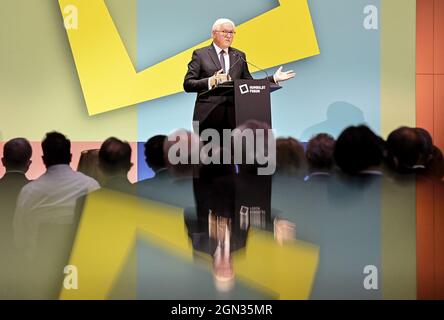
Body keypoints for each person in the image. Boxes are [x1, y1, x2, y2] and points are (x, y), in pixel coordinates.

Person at [183, 18, 295, 134]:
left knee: (233, 152)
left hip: (234, 118)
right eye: (225, 32)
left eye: (232, 32)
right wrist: (211, 81)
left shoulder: (239, 55)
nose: (229, 36)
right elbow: (188, 84)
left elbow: (249, 84)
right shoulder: (200, 54)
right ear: (214, 34)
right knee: (207, 152)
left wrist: (273, 79)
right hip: (208, 117)